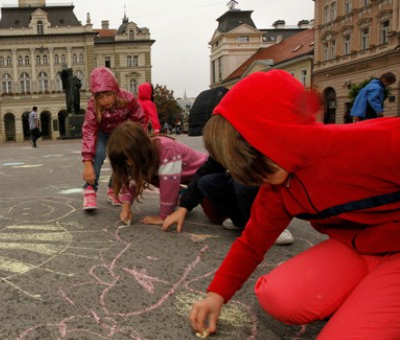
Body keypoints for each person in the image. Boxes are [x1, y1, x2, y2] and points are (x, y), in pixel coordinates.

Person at [189, 70, 400, 338]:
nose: (255, 177)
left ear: (281, 130)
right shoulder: (278, 184)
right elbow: (251, 243)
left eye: (254, 159)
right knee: (278, 298)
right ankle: (374, 292)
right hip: (359, 248)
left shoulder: (382, 141)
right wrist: (216, 295)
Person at [161, 156, 294, 245]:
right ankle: (241, 221)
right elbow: (204, 171)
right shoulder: (225, 138)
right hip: (238, 181)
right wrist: (184, 207)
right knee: (206, 182)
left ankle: (270, 227)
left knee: (243, 181)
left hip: (265, 184)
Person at [108, 121, 207, 225]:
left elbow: (169, 185)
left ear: (140, 148)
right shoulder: (137, 157)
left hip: (203, 174)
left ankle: (191, 195)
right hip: (187, 180)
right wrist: (126, 207)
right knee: (150, 174)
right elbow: (131, 181)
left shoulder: (166, 149)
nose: (128, 164)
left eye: (129, 160)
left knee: (216, 216)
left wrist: (164, 216)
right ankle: (184, 194)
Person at [81, 67, 147, 210]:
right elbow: (89, 130)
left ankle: (114, 188)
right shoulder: (93, 105)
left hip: (121, 133)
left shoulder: (128, 99)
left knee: (125, 157)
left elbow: (139, 121)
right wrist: (87, 162)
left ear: (115, 91)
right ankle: (90, 189)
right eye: (100, 97)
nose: (104, 101)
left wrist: (138, 144)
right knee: (97, 153)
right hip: (102, 133)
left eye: (108, 95)